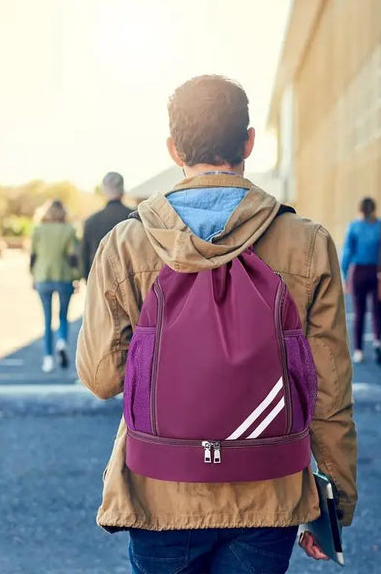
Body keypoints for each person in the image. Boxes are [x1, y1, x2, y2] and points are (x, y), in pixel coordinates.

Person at [77, 75, 357, 573]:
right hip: (268, 490)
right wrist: (334, 501)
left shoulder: (128, 243)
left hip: (160, 492)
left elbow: (102, 378)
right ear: (248, 142)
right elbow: (329, 389)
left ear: (173, 148)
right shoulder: (307, 243)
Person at [341, 197, 381, 365]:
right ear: (374, 209)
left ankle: (358, 351)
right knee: (378, 311)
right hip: (378, 272)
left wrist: (345, 276)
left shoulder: (353, 227)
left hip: (358, 272)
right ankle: (378, 342)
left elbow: (346, 254)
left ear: (360, 210)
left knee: (359, 313)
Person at [30, 199, 80, 373]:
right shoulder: (69, 230)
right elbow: (73, 257)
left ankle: (48, 359)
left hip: (43, 277)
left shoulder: (38, 230)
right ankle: (62, 342)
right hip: (64, 277)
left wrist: (33, 276)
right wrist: (76, 277)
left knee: (47, 319)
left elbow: (33, 256)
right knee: (63, 316)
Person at [81, 171, 131, 280]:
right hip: (130, 279)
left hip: (100, 280)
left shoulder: (91, 221)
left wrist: (87, 279)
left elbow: (85, 255)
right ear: (122, 190)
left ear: (104, 191)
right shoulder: (135, 217)